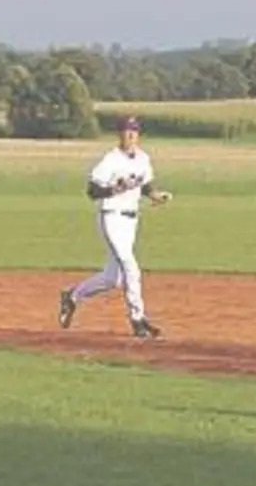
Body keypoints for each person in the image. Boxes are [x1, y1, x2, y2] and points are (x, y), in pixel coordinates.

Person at [57, 115, 173, 339]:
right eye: (125, 131)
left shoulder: (142, 159)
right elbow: (92, 191)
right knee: (130, 266)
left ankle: (72, 296)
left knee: (113, 279)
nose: (129, 135)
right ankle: (138, 319)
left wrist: (155, 196)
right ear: (119, 135)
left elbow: (145, 185)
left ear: (138, 135)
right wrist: (114, 190)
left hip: (131, 220)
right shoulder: (110, 160)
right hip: (111, 217)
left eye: (133, 131)